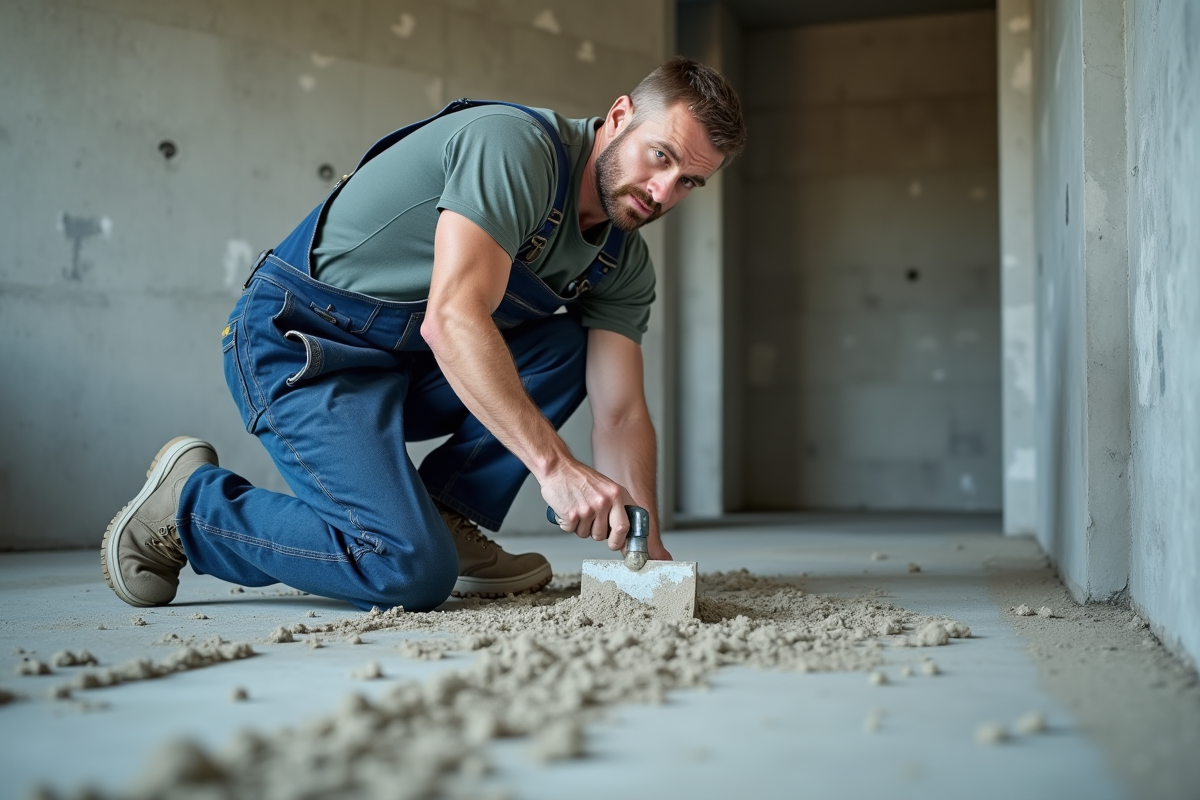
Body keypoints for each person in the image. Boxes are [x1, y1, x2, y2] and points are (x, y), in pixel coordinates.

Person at [101, 57, 746, 612]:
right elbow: (454, 318)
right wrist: (553, 468)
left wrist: (648, 547)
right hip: (302, 350)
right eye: (659, 157)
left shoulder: (620, 258)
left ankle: (441, 514)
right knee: (407, 569)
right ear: (618, 116)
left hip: (404, 367)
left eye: (690, 180)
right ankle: (189, 510)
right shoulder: (514, 149)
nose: (664, 192)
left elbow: (622, 411)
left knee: (565, 348)